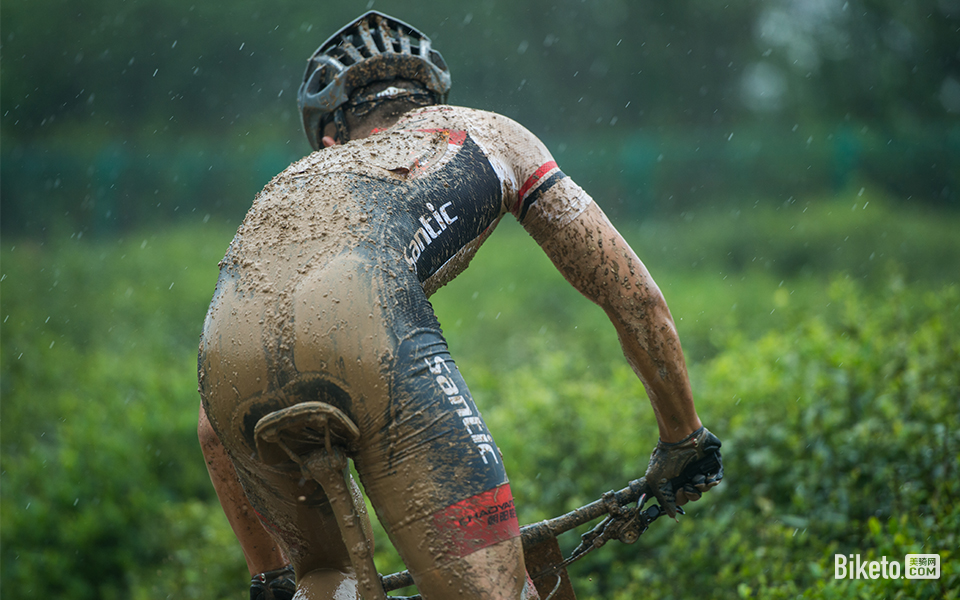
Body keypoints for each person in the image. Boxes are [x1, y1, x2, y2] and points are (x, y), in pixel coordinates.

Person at [197, 10, 723, 600]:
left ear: (330, 136)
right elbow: (631, 295)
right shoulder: (489, 132)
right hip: (373, 328)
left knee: (326, 577)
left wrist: (268, 575)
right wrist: (683, 439)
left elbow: (211, 431)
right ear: (429, 99)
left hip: (226, 362)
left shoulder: (288, 185)